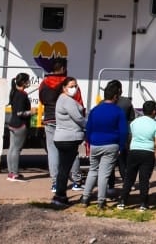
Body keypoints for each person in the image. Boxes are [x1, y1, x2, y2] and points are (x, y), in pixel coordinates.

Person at [82, 79, 129, 210]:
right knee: (104, 174)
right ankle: (101, 201)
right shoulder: (118, 111)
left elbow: (88, 128)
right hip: (111, 144)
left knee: (93, 170)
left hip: (95, 143)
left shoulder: (95, 110)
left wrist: (89, 142)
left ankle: (85, 197)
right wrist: (121, 146)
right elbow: (123, 131)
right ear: (115, 96)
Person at [49, 76, 86, 207]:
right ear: (64, 88)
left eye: (75, 86)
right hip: (69, 138)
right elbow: (78, 118)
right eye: (71, 86)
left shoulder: (62, 99)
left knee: (63, 168)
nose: (74, 88)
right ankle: (60, 196)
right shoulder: (67, 101)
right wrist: (89, 125)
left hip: (62, 137)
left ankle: (59, 195)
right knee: (65, 169)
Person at [125, 100, 156, 211]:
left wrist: (130, 149)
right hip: (148, 152)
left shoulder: (134, 122)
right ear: (154, 111)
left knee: (129, 178)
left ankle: (122, 201)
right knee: (144, 180)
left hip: (134, 151)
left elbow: (130, 137)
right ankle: (143, 203)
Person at [4, 72, 32, 181]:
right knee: (16, 149)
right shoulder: (22, 95)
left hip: (12, 123)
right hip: (20, 125)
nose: (29, 82)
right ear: (24, 82)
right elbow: (20, 112)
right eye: (28, 80)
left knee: (12, 148)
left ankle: (11, 173)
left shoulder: (14, 92)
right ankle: (15, 174)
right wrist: (31, 112)